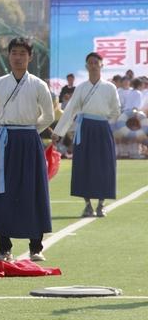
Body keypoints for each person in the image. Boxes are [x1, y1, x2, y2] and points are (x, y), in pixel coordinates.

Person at [0, 37, 54, 262]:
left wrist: (31, 130)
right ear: (8, 55)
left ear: (29, 57)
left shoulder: (39, 84)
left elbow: (49, 116)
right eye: (14, 53)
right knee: (3, 192)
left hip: (30, 141)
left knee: (33, 190)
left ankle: (36, 247)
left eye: (23, 53)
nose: (18, 57)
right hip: (4, 141)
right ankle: (4, 247)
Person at [52, 52, 121, 217]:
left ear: (101, 65)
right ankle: (88, 205)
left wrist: (104, 120)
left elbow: (116, 110)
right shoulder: (81, 87)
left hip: (102, 128)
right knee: (84, 165)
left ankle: (101, 204)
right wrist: (58, 132)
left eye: (96, 62)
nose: (93, 65)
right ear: (86, 66)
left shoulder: (110, 87)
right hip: (85, 129)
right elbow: (70, 111)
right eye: (90, 63)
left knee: (104, 165)